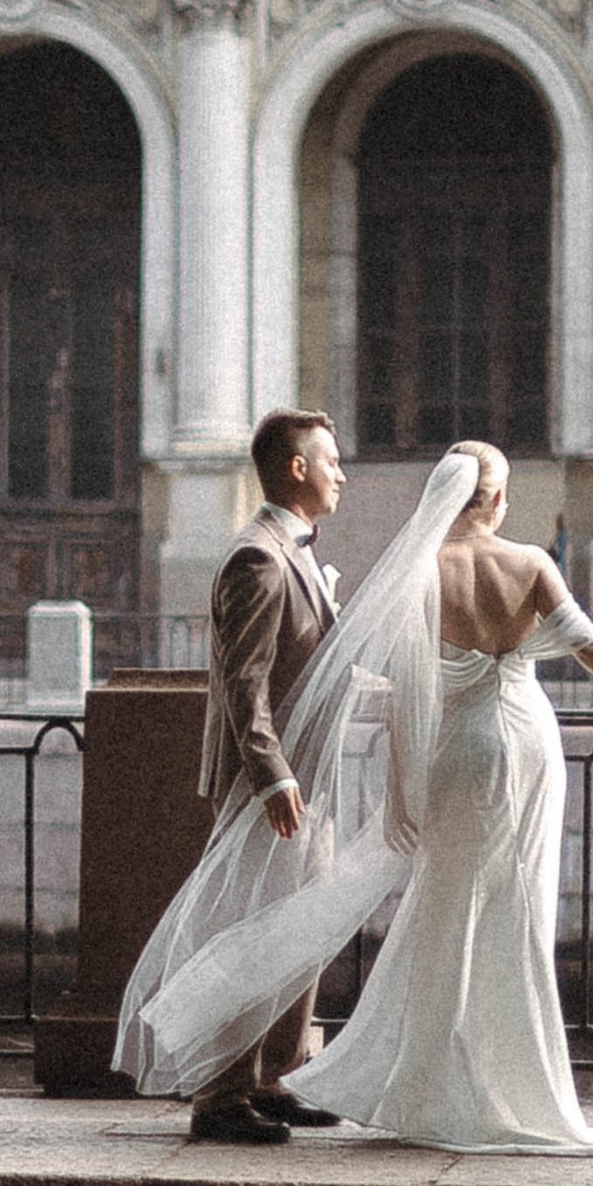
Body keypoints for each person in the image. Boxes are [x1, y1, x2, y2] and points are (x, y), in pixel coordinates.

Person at [119, 441, 593, 1160]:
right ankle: (511, 1082)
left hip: (456, 752)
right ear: (494, 499)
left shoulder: (421, 573)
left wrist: (404, 791)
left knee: (444, 908)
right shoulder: (531, 563)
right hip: (528, 748)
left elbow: (407, 694)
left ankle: (422, 1080)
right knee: (517, 913)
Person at [186, 408, 347, 1148]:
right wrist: (274, 777)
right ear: (297, 470)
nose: (340, 473)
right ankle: (220, 1095)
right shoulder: (258, 557)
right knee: (251, 934)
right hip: (270, 786)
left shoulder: (297, 551)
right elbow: (242, 686)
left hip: (302, 777)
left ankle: (277, 1077)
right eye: (330, 461)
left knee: (302, 930)